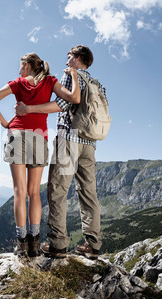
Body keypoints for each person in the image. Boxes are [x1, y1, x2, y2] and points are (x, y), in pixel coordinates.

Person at [15, 45, 107, 259]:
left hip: (69, 140)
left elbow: (61, 105)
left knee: (57, 191)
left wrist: (28, 109)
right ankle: (93, 245)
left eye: (69, 57)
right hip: (90, 144)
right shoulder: (98, 84)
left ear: (78, 58)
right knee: (89, 194)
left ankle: (57, 244)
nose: (66, 62)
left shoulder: (71, 76)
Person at [0, 53, 81, 257]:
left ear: (27, 66)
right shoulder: (50, 81)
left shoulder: (18, 83)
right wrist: (73, 74)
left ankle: (22, 245)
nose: (18, 70)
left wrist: (5, 123)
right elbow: (74, 98)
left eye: (20, 66)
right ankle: (35, 244)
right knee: (34, 192)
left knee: (19, 191)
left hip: (17, 135)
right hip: (39, 137)